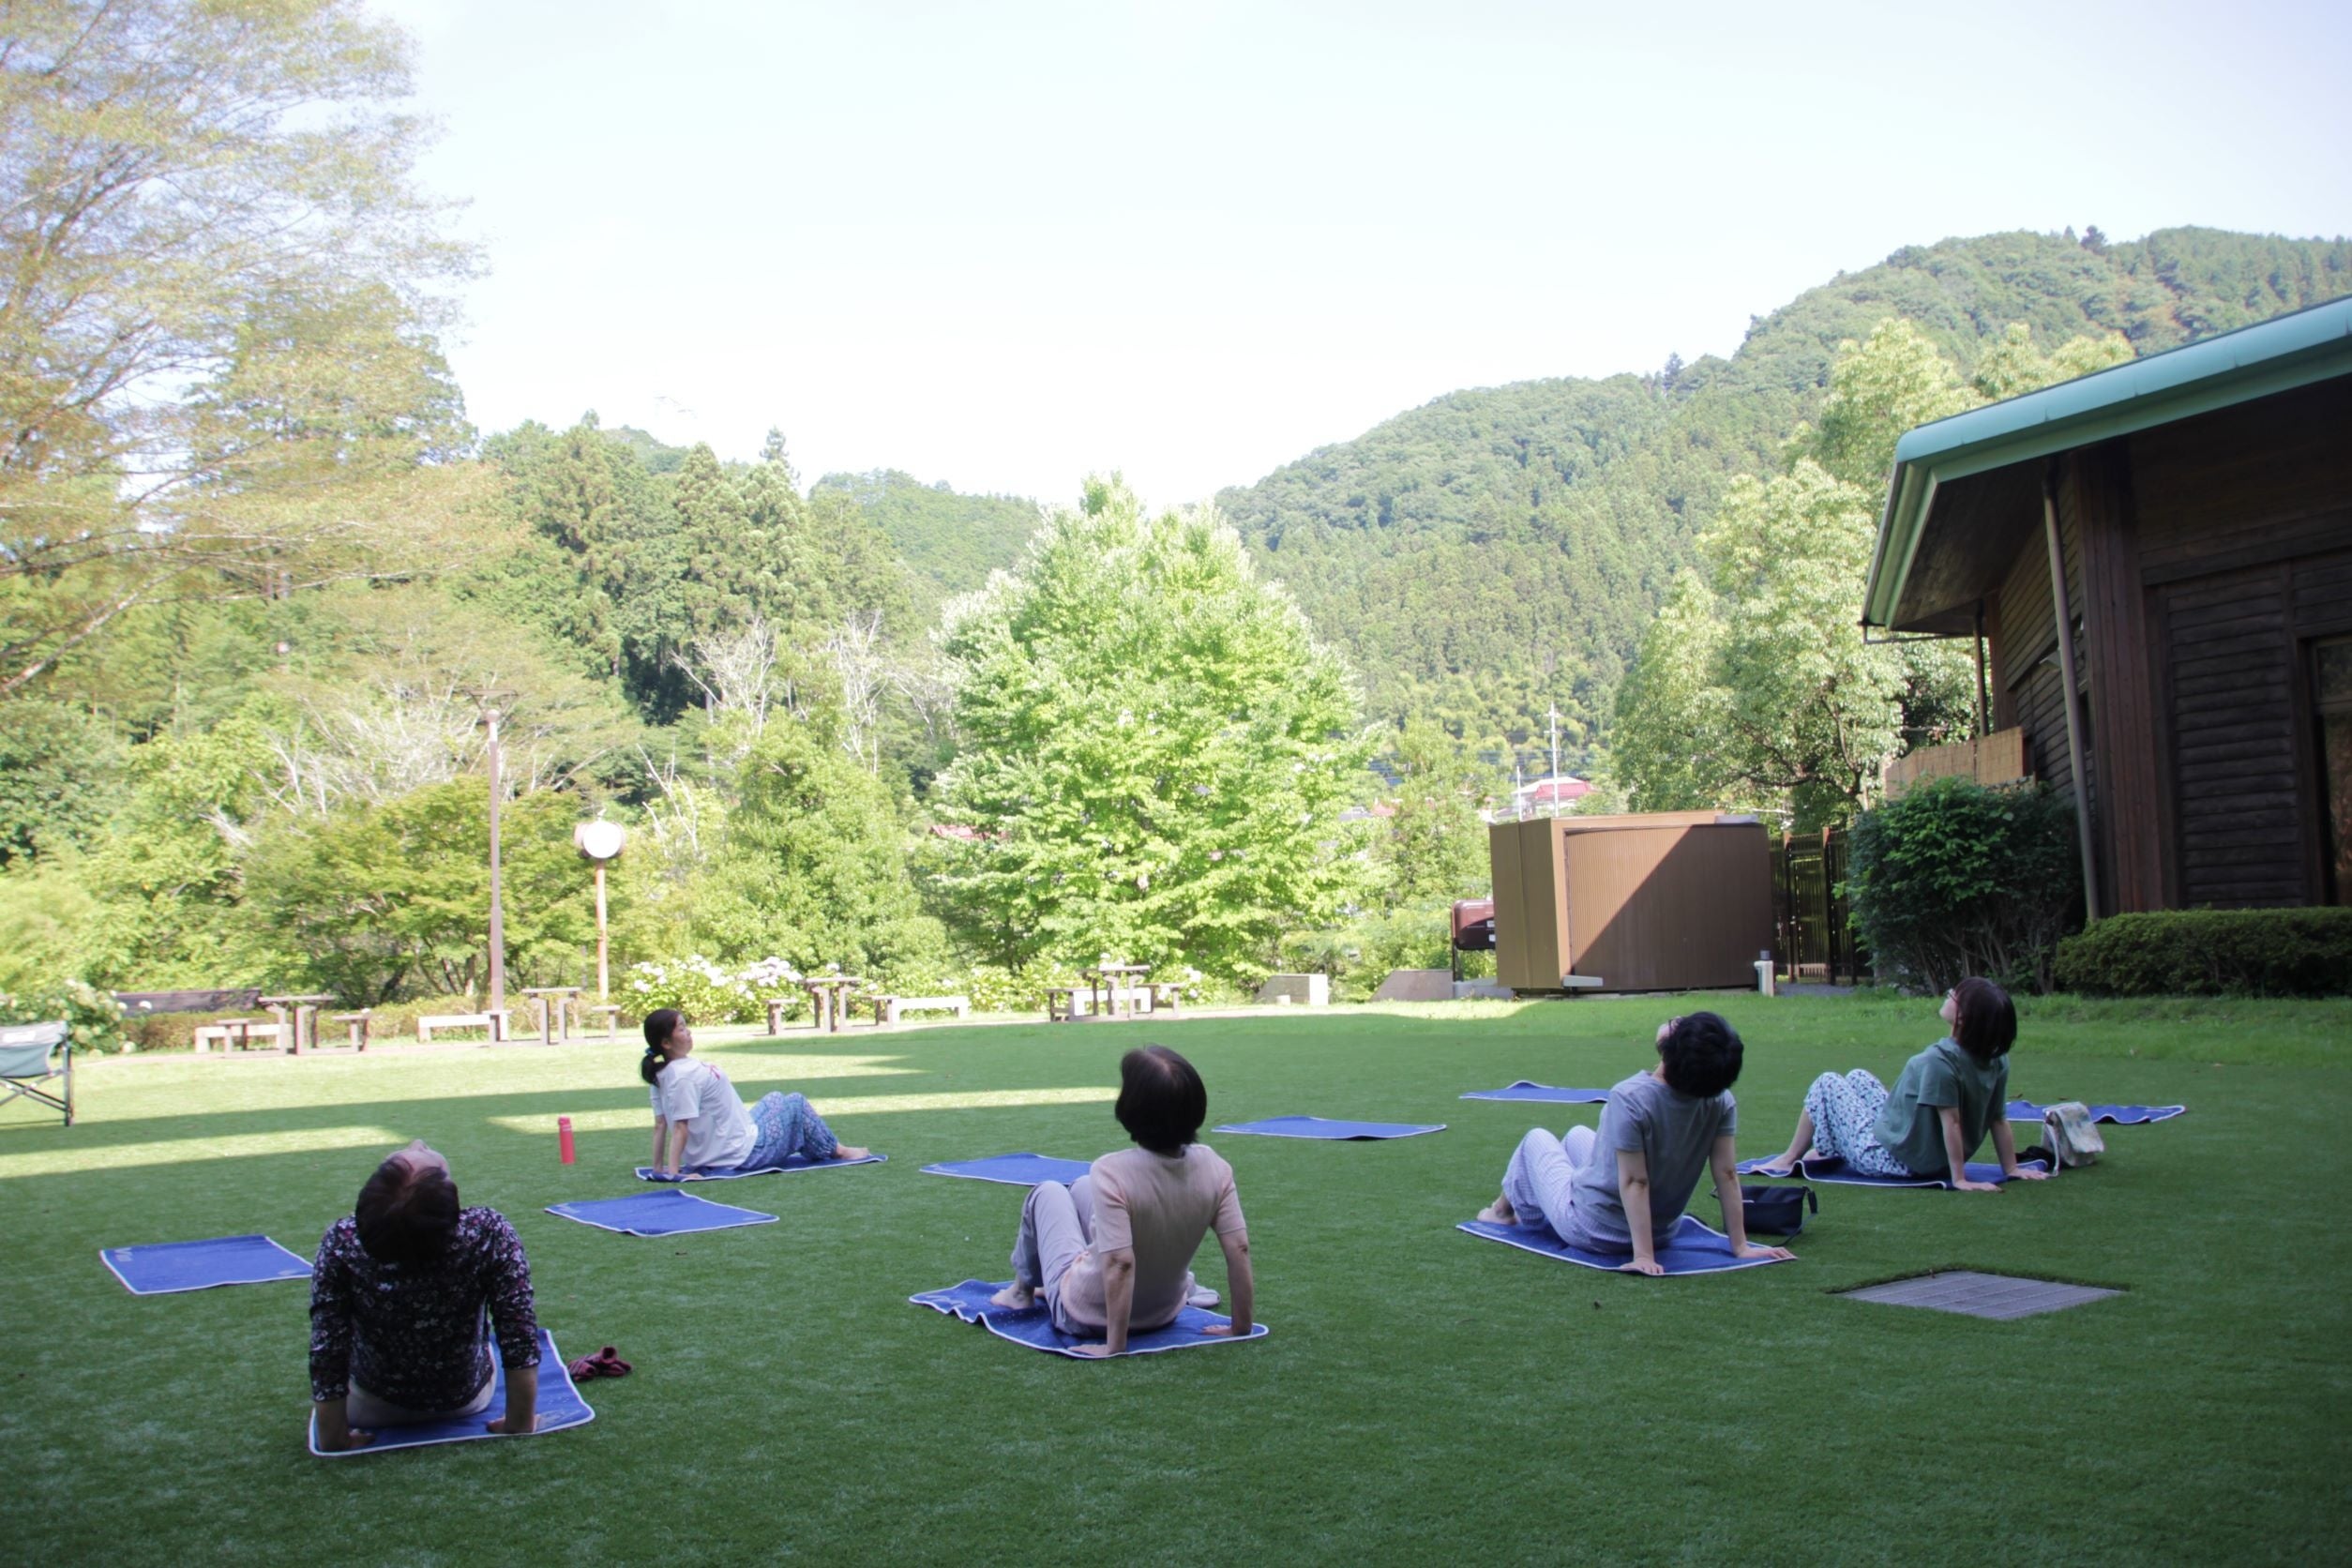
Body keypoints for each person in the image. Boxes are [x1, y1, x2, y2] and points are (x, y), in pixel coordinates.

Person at [1476, 1012, 1792, 1274]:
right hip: (1662, 1231)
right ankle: (1570, 1191)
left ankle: (1502, 1211)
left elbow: (1635, 1181)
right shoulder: (1720, 1100)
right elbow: (1727, 1174)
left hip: (1594, 1230)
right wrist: (1740, 1246)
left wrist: (1643, 1256)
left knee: (1536, 1140)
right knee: (1576, 1135)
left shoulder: (1630, 1097)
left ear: (1670, 1051)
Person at [990, 1044, 1254, 1357]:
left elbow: (1121, 1262)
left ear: (1131, 1108)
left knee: (1048, 1192)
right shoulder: (1216, 1167)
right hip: (1163, 1313)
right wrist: (1240, 1326)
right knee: (1083, 1187)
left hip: (1084, 1317)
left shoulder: (1112, 1170)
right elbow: (1239, 1248)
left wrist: (1115, 1346)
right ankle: (1182, 1287)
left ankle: (1020, 1292)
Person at [309, 1139, 540, 1452]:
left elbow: (328, 1346)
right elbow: (518, 1331)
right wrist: (520, 1421)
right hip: (466, 1400)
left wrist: (334, 1437)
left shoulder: (342, 1240)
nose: (418, 1143)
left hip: (367, 1406)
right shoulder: (488, 1232)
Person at [1754, 976, 2048, 1192]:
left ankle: (1789, 1158)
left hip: (1893, 1160)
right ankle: (1828, 1149)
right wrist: (2011, 1168)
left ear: (1962, 1018)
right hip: (1916, 1146)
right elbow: (1998, 1119)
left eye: (1953, 996)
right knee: (1857, 1077)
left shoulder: (1940, 1062)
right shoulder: (1996, 1059)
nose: (1947, 995)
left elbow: (1953, 1123)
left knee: (1826, 1083)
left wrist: (1959, 1179)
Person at [641, 1008, 868, 1178]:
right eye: (682, 1029)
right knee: (796, 1104)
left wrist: (657, 1168)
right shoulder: (684, 1077)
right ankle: (839, 1151)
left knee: (775, 1098)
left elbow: (660, 1125)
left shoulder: (662, 1074)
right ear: (666, 1043)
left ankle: (821, 1147)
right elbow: (680, 1127)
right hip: (740, 1154)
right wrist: (674, 1173)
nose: (689, 1032)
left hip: (731, 1142)